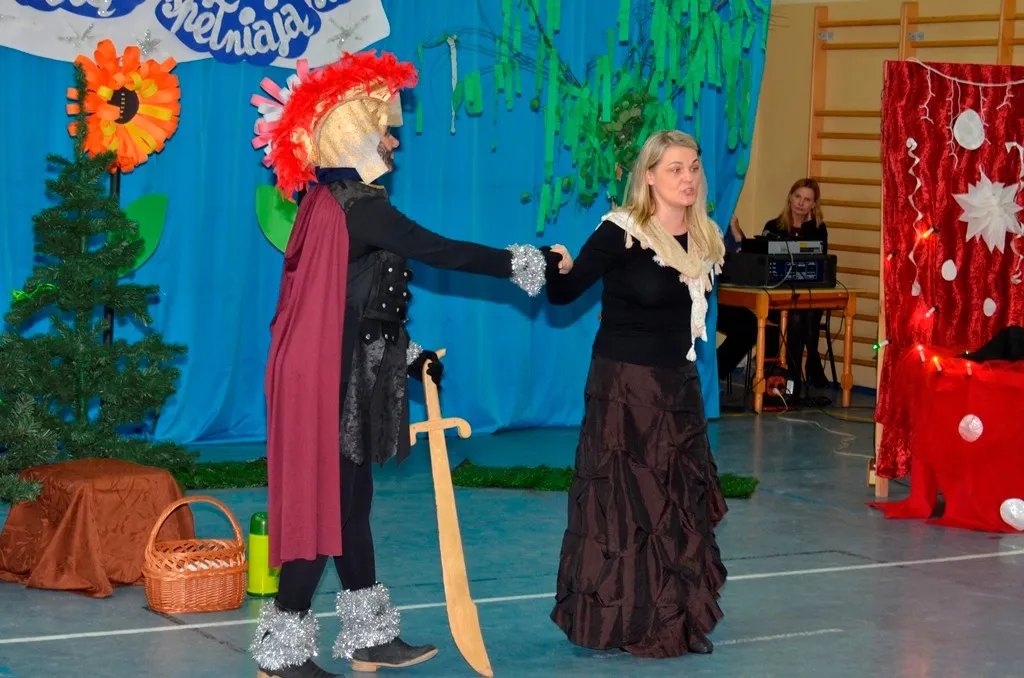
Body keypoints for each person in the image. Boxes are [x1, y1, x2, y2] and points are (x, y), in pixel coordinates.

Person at [247, 51, 564, 678]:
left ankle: (369, 637)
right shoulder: (358, 206)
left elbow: (353, 304)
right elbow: (438, 250)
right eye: (385, 131)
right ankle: (281, 651)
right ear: (353, 135)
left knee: (350, 507)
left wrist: (410, 355)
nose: (394, 141)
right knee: (327, 508)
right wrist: (526, 262)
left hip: (339, 370)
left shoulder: (333, 203)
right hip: (330, 382)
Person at [543, 130, 729, 658]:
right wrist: (555, 265)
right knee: (629, 508)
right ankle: (623, 621)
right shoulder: (621, 232)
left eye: (693, 167)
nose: (688, 178)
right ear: (649, 176)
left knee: (678, 506)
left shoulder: (706, 238)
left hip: (679, 387)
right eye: (675, 169)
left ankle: (677, 618)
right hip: (624, 389)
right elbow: (565, 293)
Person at [762, 178, 830, 399]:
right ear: (790, 198)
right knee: (798, 316)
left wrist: (809, 226)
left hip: (807, 297)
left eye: (807, 200)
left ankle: (807, 363)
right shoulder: (774, 226)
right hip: (778, 298)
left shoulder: (818, 229)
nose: (801, 203)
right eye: (798, 197)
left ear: (814, 204)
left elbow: (820, 261)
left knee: (806, 312)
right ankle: (803, 368)